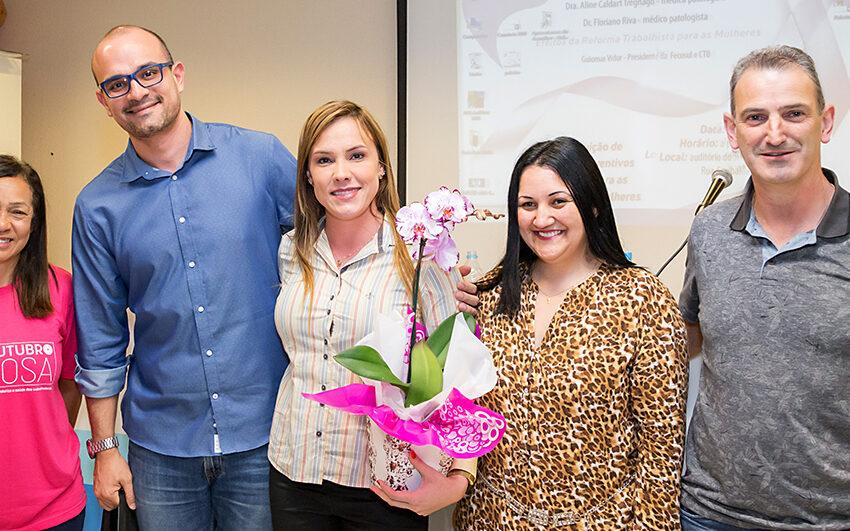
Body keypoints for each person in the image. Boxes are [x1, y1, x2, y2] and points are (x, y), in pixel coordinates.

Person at [72, 25, 296, 529]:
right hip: (160, 450)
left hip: (264, 432)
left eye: (147, 73)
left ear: (177, 74)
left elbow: (338, 240)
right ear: (104, 101)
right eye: (117, 84)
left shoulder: (260, 159)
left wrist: (424, 270)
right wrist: (106, 449)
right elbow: (100, 340)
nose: (136, 91)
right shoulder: (96, 206)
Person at [452, 137, 688, 529]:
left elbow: (661, 449)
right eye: (528, 205)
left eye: (558, 202)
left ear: (592, 205)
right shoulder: (490, 294)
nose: (541, 218)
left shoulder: (643, 300)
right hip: (491, 520)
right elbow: (464, 411)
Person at [267, 100, 473, 529]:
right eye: (324, 160)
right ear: (309, 175)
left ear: (381, 166)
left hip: (383, 485)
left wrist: (458, 478)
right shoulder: (293, 251)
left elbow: (456, 378)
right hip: (293, 470)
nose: (341, 173)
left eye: (357, 156)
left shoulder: (419, 258)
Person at [679, 46, 850, 530]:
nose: (774, 134)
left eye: (794, 113)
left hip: (831, 519)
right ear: (733, 132)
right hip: (709, 514)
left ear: (826, 121)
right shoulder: (708, 230)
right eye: (755, 117)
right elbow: (687, 335)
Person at [0, 156, 86, 530]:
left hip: (53, 507)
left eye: (17, 211)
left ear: (33, 224)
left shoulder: (60, 289)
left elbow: (71, 383)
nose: (3, 224)